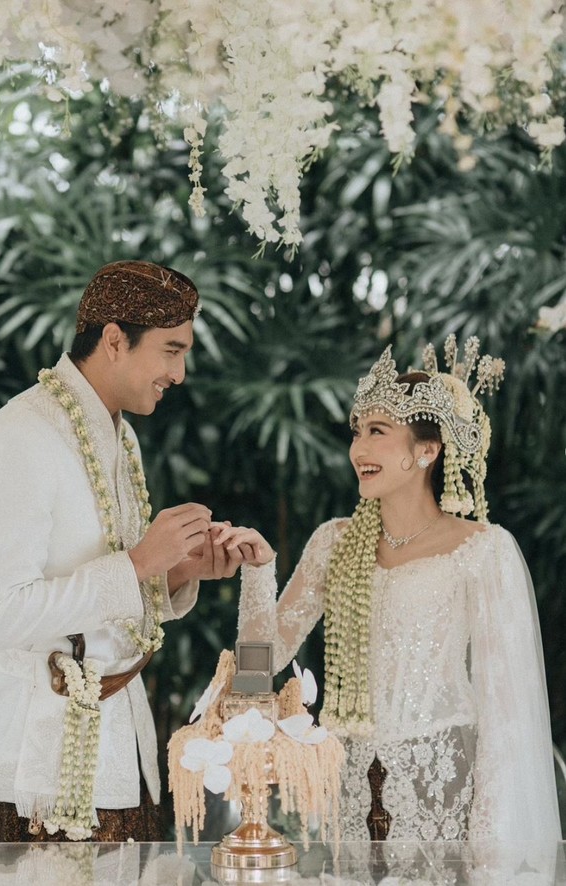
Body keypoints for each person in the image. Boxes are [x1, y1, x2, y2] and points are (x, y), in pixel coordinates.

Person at [216, 335, 561, 843]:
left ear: (427, 450)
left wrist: (493, 846)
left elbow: (506, 714)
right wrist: (259, 572)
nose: (359, 448)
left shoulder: (484, 550)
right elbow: (257, 668)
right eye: (357, 432)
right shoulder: (333, 543)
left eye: (378, 431)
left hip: (443, 779)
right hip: (347, 780)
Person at [0, 260, 245, 843]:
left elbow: (108, 607)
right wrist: (140, 562)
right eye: (171, 350)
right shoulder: (22, 434)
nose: (180, 373)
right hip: (34, 769)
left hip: (124, 747)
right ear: (114, 340)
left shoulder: (117, 433)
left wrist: (175, 572)